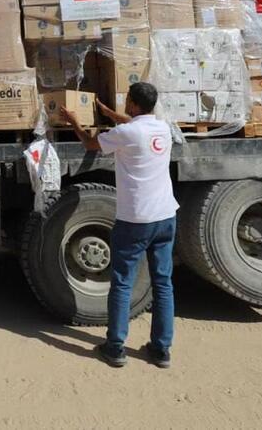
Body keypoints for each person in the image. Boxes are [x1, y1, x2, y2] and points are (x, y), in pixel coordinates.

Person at [59, 82, 178, 369]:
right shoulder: (162, 128)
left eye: (127, 102)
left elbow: (91, 144)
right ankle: (161, 350)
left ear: (135, 105)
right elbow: (133, 126)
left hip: (136, 219)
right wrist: (109, 112)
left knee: (122, 282)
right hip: (166, 216)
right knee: (163, 283)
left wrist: (73, 121)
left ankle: (115, 347)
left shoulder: (126, 133)